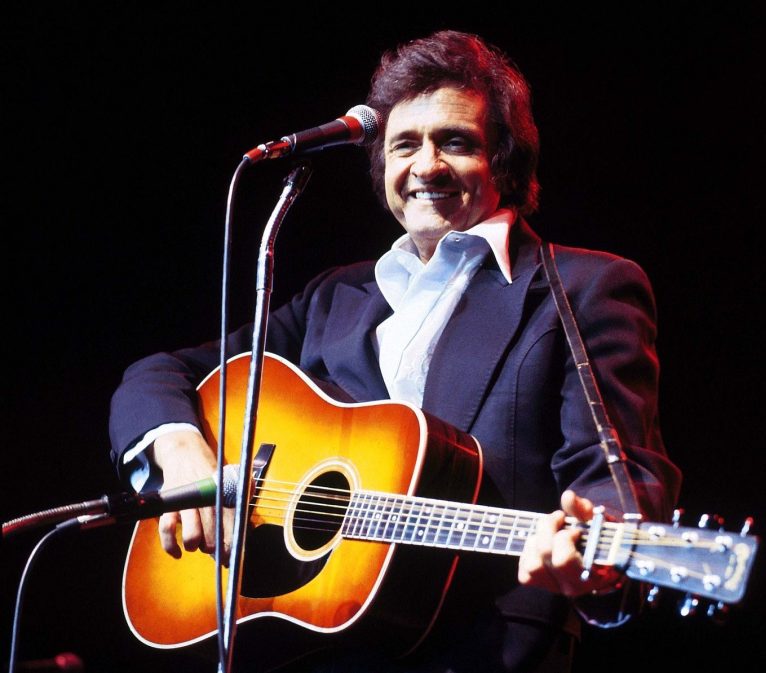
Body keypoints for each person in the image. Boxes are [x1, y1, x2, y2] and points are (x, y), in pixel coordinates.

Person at [109, 30, 681, 673]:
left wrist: (596, 552)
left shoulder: (580, 287)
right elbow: (160, 374)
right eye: (405, 145)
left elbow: (617, 470)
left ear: (506, 162)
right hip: (309, 648)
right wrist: (182, 451)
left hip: (483, 651)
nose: (426, 166)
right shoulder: (337, 296)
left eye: (456, 142)